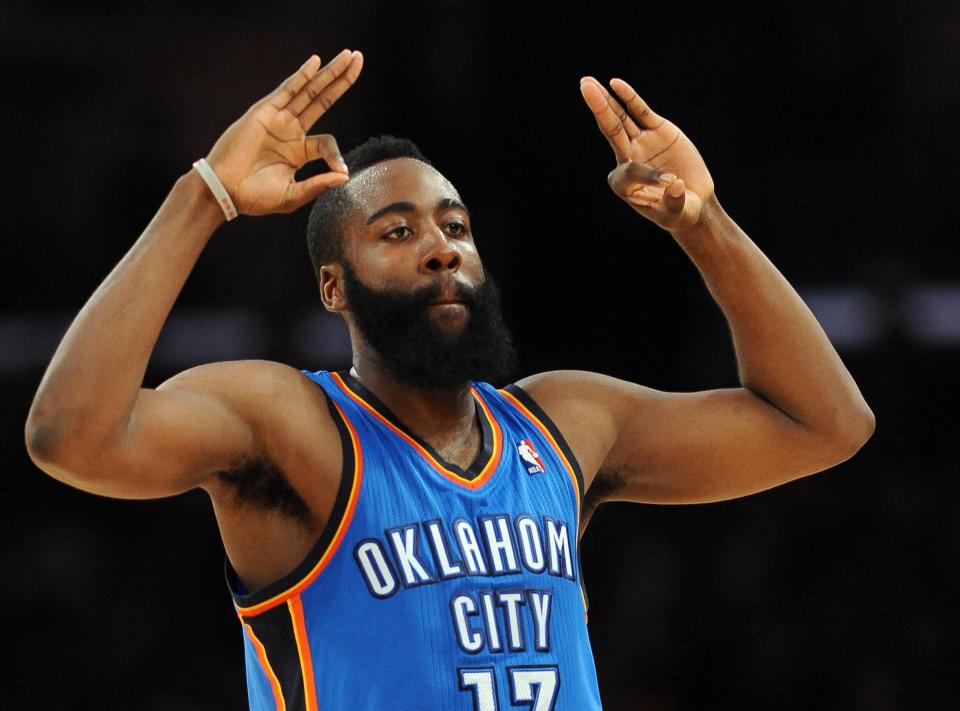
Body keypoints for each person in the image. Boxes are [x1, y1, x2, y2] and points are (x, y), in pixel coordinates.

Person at [24, 47, 874, 710]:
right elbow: (71, 435)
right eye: (395, 232)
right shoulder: (291, 427)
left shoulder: (565, 425)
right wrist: (204, 194)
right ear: (333, 287)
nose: (441, 247)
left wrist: (707, 223)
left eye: (456, 226)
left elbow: (825, 423)